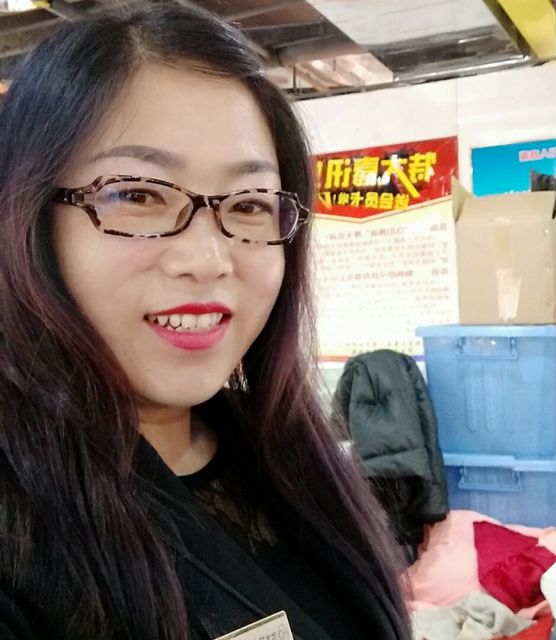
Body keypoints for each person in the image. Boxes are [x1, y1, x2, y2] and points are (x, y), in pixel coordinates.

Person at [0, 5, 412, 640]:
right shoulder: (19, 530)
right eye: (138, 195)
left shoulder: (284, 457)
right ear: (28, 220)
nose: (208, 258)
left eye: (249, 204)